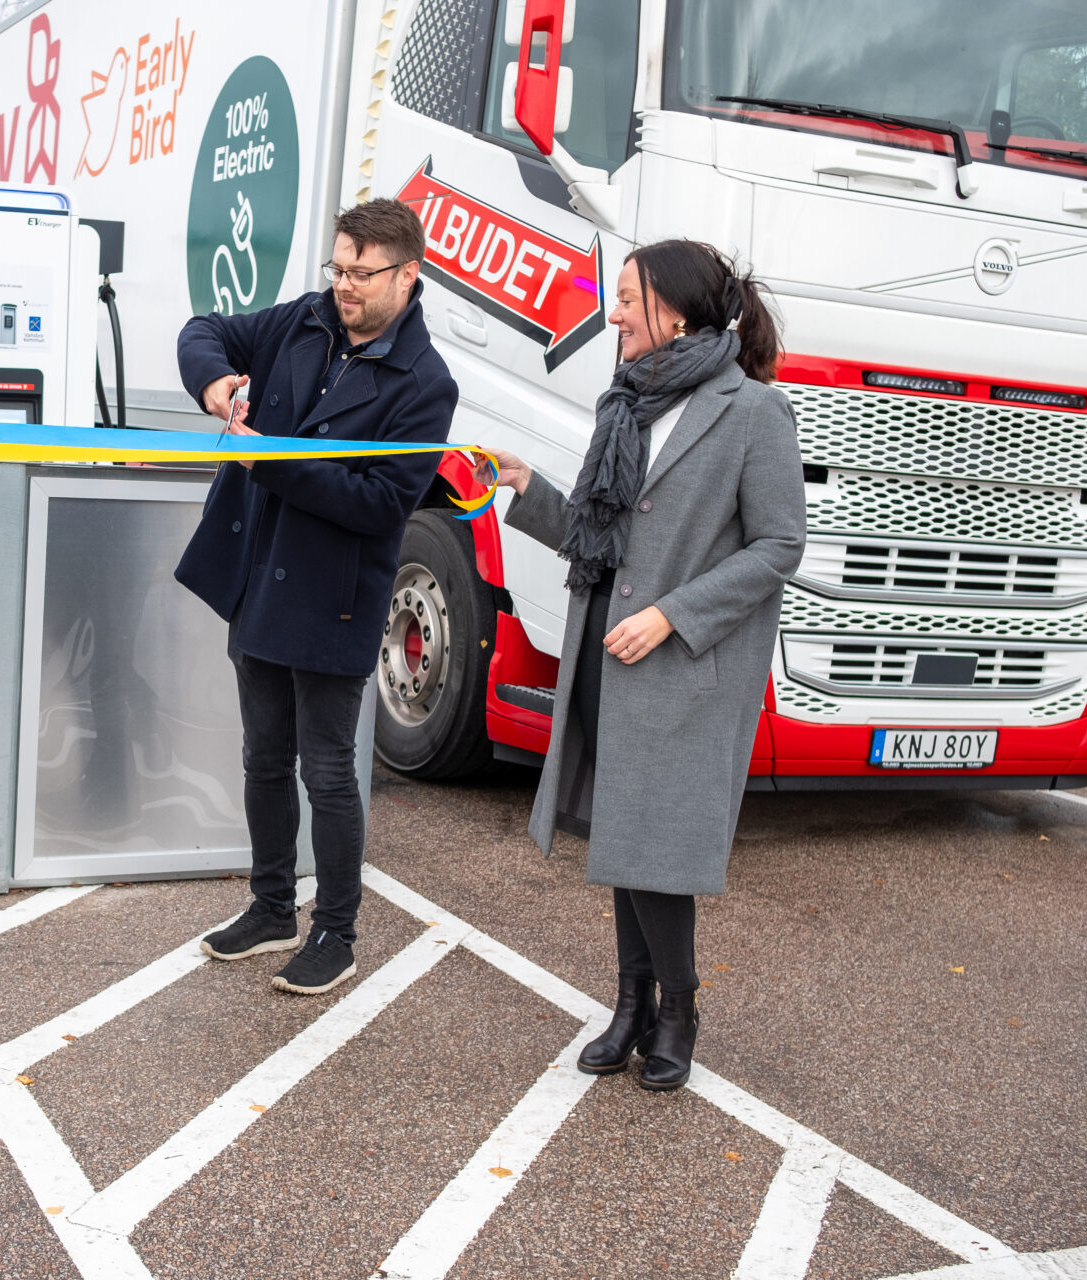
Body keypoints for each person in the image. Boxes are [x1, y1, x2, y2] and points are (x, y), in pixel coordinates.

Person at [479, 240, 805, 1088]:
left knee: (657, 846)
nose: (613, 314)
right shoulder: (625, 404)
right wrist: (531, 489)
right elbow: (608, 537)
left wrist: (672, 613)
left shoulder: (753, 412)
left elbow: (779, 546)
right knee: (625, 837)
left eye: (626, 299)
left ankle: (679, 1009)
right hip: (606, 650)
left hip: (678, 664)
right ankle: (630, 1004)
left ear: (678, 313)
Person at [175, 198, 458, 996]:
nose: (343, 286)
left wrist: (271, 461)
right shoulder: (302, 320)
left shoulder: (426, 385)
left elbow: (379, 503)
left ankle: (337, 930)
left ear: (408, 275)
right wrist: (217, 387)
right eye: (337, 267)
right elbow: (203, 331)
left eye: (361, 274)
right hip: (257, 575)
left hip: (334, 595)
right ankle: (272, 909)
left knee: (327, 770)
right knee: (263, 758)